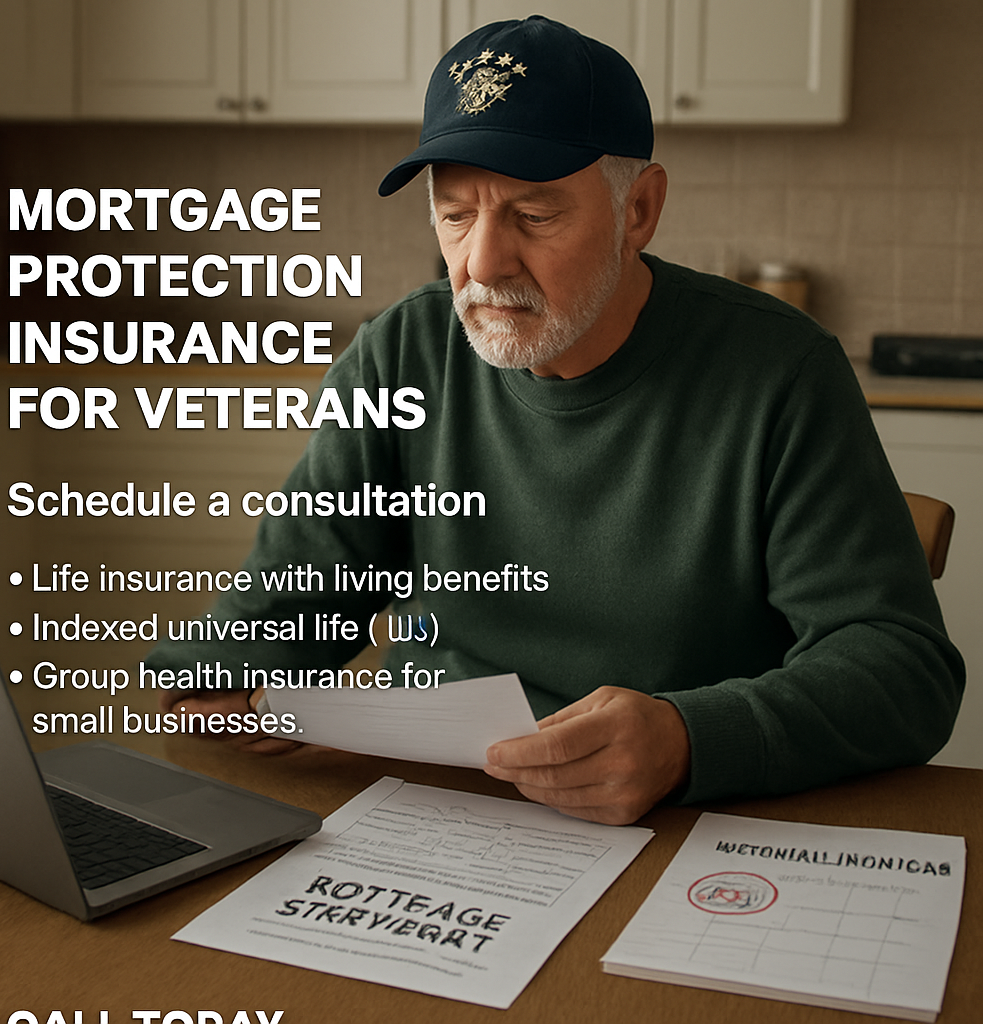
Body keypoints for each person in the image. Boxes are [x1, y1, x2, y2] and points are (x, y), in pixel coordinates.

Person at [147, 16, 963, 825]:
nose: (481, 263)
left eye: (534, 217)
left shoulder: (780, 371)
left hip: (674, 821)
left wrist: (687, 740)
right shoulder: (401, 352)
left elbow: (904, 670)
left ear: (638, 210)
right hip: (431, 800)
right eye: (456, 215)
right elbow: (297, 593)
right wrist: (210, 678)